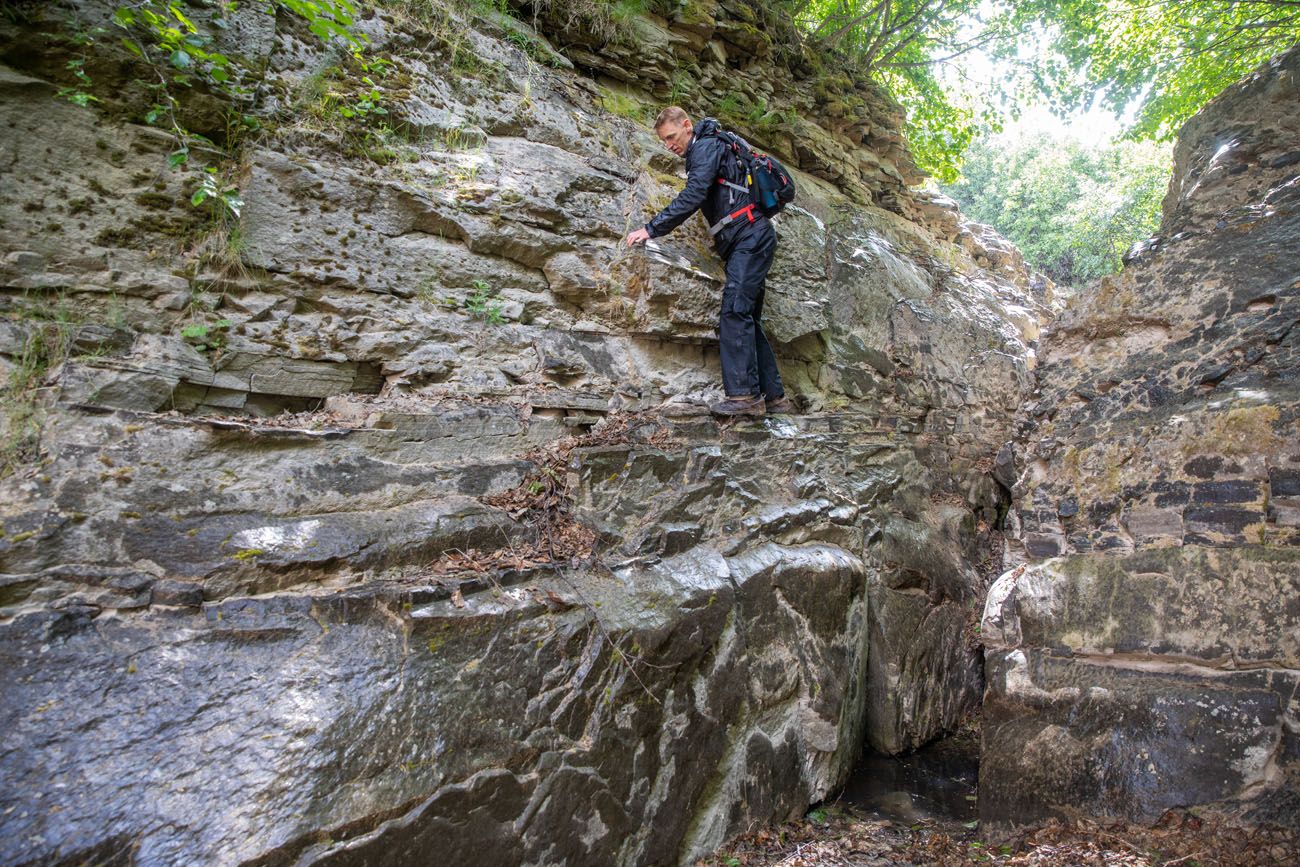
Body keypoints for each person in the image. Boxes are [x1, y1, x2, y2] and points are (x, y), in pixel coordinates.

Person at [625, 107, 792, 417]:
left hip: (749, 236)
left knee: (734, 311)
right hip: (749, 236)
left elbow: (694, 193)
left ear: (687, 126)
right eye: (663, 141)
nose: (669, 145)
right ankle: (775, 398)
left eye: (672, 137)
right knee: (747, 318)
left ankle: (745, 398)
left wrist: (651, 229)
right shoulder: (715, 146)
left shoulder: (706, 146)